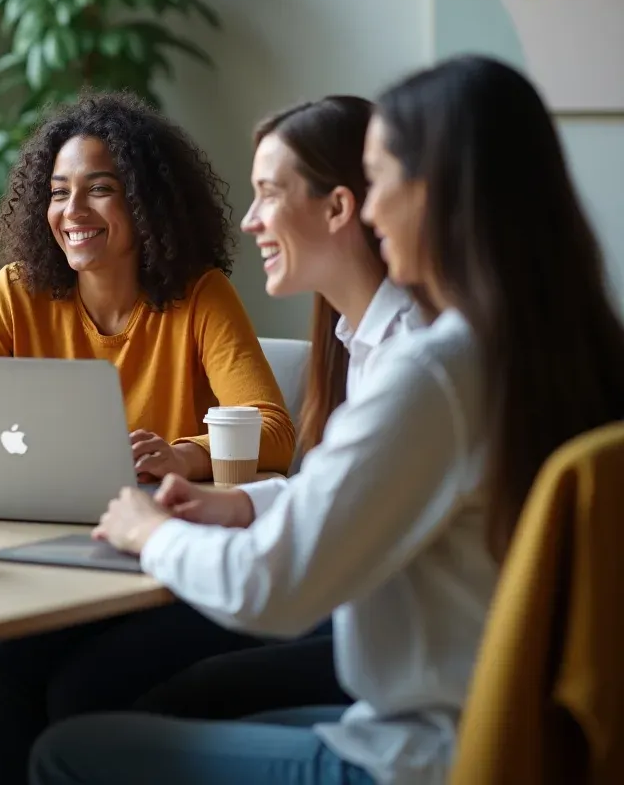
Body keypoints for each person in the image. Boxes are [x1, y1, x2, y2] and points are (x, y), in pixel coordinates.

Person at [30, 55, 624, 785]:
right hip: (521, 736)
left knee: (67, 751)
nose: (371, 211)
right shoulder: (551, 349)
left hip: (421, 755)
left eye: (383, 185)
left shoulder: (434, 372)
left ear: (433, 194)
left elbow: (271, 590)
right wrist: (238, 502)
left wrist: (151, 531)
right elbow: (366, 489)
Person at [0, 92, 292, 783]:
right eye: (57, 192)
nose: (72, 212)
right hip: (51, 556)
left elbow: (274, 431)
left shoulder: (199, 296)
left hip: (166, 564)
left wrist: (185, 454)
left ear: (145, 202)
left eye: (98, 190)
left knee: (74, 687)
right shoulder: (16, 291)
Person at [137, 94, 426, 721]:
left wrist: (150, 532)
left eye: (269, 193)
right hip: (358, 609)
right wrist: (238, 501)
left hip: (377, 636)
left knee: (120, 686)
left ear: (340, 207)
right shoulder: (363, 340)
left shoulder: (415, 361)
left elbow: (282, 579)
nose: (249, 220)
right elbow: (342, 489)